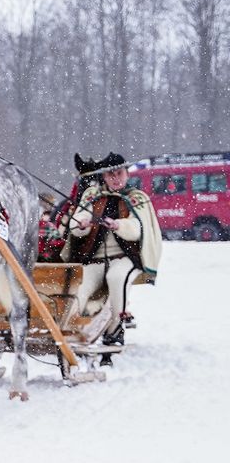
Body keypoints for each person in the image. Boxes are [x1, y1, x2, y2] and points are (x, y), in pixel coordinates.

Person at [62, 152, 162, 363]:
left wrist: (119, 225)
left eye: (119, 174)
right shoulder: (92, 195)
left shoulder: (137, 198)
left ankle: (115, 332)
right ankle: (72, 333)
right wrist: (81, 224)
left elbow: (137, 230)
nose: (115, 178)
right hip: (94, 259)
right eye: (110, 175)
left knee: (117, 278)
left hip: (124, 257)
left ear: (127, 174)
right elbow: (78, 219)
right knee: (78, 290)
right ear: (104, 177)